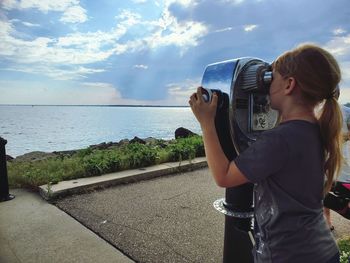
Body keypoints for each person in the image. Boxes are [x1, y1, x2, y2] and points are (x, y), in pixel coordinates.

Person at [189, 44, 342, 262]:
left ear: (289, 85)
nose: (264, 87)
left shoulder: (279, 139)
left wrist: (207, 123)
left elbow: (223, 176)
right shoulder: (315, 130)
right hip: (322, 250)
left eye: (271, 79)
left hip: (288, 255)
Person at [324, 102, 350, 229]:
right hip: (336, 155)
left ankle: (326, 221)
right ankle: (326, 221)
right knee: (326, 188)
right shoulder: (345, 111)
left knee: (325, 187)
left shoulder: (319, 111)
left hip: (335, 155)